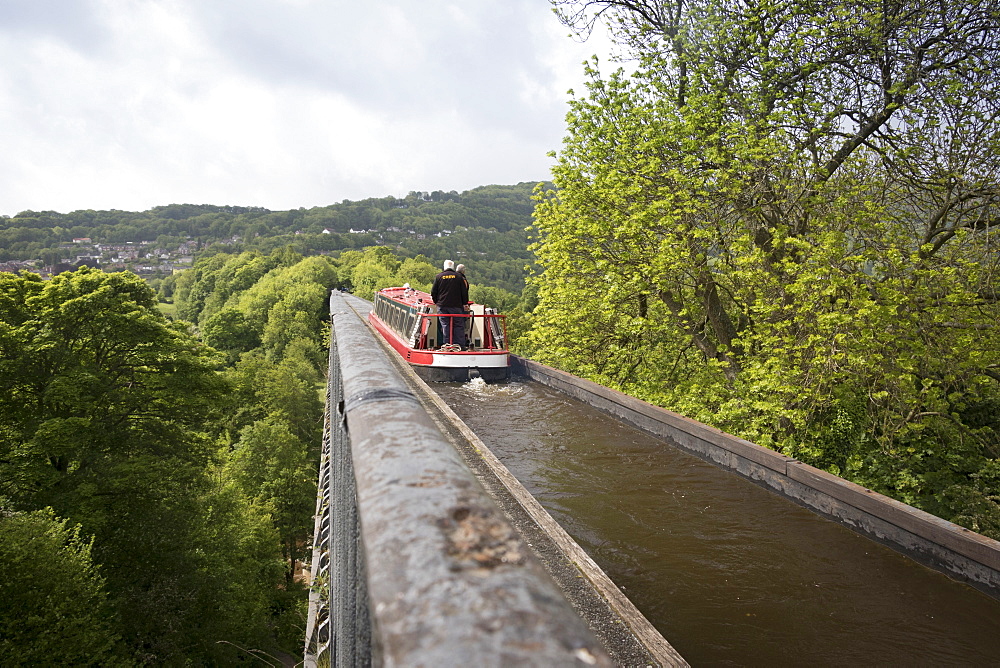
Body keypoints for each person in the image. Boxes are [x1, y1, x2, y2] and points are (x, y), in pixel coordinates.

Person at [431, 259, 469, 349]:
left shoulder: (439, 277)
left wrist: (437, 302)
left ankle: (446, 344)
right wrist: (464, 303)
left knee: (445, 325)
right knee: (458, 325)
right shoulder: (459, 277)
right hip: (456, 306)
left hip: (442, 306)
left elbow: (433, 292)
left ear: (444, 267)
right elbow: (464, 292)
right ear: (453, 267)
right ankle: (460, 345)